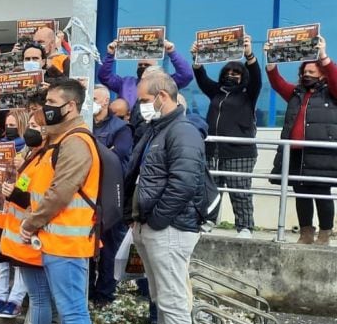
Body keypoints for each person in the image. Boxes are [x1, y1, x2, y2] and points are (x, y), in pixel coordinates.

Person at [16, 79, 99, 324]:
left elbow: (61, 192)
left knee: (74, 312)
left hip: (69, 243)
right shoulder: (60, 139)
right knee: (69, 312)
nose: (45, 107)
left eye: (51, 101)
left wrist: (31, 223)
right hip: (58, 240)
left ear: (71, 107)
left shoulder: (76, 143)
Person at [123, 71, 206, 324]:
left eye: (144, 100)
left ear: (162, 96)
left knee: (172, 299)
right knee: (161, 297)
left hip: (170, 227)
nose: (140, 106)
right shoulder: (159, 129)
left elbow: (184, 183)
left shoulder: (182, 131)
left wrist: (156, 219)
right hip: (149, 224)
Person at [0, 106, 55, 324]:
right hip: (23, 238)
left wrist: (18, 196)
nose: (30, 128)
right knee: (39, 297)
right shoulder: (34, 156)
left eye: (36, 124)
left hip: (34, 239)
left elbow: (39, 200)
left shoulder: (48, 158)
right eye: (29, 123)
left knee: (41, 298)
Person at [266, 36, 337, 245]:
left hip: (319, 154)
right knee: (301, 193)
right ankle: (306, 232)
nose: (307, 75)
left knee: (322, 194)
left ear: (322, 75)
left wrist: (323, 56)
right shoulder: (297, 93)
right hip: (296, 154)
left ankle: (324, 233)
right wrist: (271, 62)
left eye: (312, 72)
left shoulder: (331, 94)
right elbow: (278, 84)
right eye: (304, 72)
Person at [192, 36, 262, 238]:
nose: (232, 75)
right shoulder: (216, 92)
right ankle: (206, 222)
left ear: (243, 76)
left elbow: (257, 77)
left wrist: (249, 54)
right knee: (209, 190)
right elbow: (202, 78)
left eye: (237, 73)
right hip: (213, 150)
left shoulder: (249, 94)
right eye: (229, 72)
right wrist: (197, 58)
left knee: (240, 191)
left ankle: (245, 227)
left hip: (240, 152)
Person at [0, 108, 30, 319]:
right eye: (7, 126)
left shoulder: (29, 152)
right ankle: (0, 297)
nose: (9, 130)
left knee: (19, 261)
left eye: (14, 126)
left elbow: (30, 183)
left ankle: (15, 300)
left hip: (17, 212)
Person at [90, 84, 132, 306]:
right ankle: (87, 291)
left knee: (109, 249)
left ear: (106, 101)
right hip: (87, 196)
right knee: (86, 249)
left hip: (109, 196)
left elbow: (118, 159)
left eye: (95, 98)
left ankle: (104, 294)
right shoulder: (85, 124)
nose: (92, 102)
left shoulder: (119, 128)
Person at [99, 39, 194, 108]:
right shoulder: (126, 83)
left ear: (156, 67)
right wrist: (110, 55)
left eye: (147, 65)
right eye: (140, 65)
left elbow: (186, 75)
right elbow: (104, 77)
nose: (143, 67)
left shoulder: (166, 83)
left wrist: (172, 53)